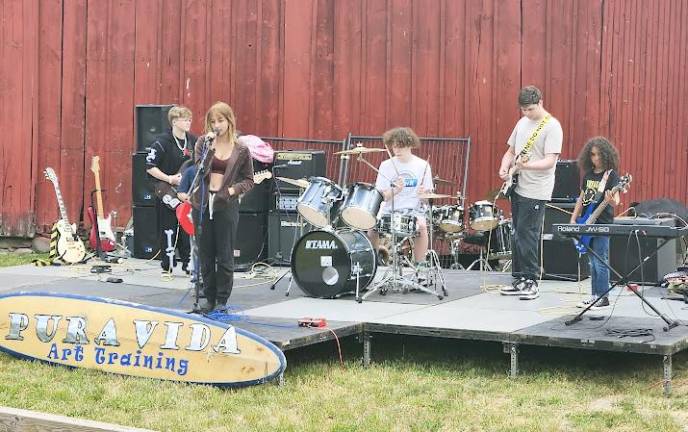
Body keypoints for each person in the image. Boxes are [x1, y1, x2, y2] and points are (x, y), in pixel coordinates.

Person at [498, 86, 563, 300]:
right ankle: (518, 279)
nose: (527, 113)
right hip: (518, 186)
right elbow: (510, 151)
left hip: (537, 189)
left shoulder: (552, 126)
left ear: (541, 102)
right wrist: (504, 167)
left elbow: (550, 161)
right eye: (524, 110)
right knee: (517, 233)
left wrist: (526, 167)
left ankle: (532, 280)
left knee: (529, 234)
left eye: (531, 109)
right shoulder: (521, 123)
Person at [191, 102, 254, 312]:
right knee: (205, 254)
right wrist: (210, 148)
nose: (216, 125)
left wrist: (231, 191)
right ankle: (208, 297)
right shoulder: (203, 143)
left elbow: (248, 180)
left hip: (225, 204)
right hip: (202, 203)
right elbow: (200, 170)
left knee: (224, 254)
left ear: (229, 121)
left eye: (220, 120)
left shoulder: (241, 149)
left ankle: (222, 300)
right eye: (213, 121)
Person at [370, 127, 433, 267]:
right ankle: (373, 262)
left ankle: (420, 266)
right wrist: (395, 190)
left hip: (413, 212)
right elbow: (381, 197)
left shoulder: (423, 166)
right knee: (371, 226)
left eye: (400, 147)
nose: (396, 150)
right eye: (394, 147)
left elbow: (427, 200)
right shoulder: (386, 166)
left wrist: (424, 195)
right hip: (389, 211)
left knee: (422, 226)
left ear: (410, 145)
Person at [570, 137, 620, 309]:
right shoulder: (588, 175)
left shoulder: (611, 175)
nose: (596, 158)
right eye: (592, 155)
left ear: (606, 155)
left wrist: (611, 200)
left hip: (603, 222)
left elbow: (617, 201)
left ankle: (603, 297)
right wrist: (573, 219)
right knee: (592, 261)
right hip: (586, 222)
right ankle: (594, 295)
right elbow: (581, 198)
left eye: (599, 155)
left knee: (601, 260)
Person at [145, 106, 197, 274]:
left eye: (190, 119)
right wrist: (169, 178)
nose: (189, 122)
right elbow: (150, 167)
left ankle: (188, 263)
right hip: (166, 191)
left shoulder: (193, 141)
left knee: (187, 227)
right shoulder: (162, 142)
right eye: (185, 119)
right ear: (174, 121)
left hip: (186, 192)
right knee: (168, 227)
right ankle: (168, 264)